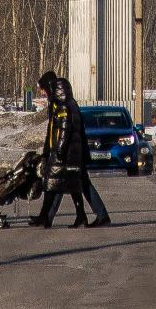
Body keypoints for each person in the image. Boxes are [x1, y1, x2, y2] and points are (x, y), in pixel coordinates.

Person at [34, 71, 111, 229]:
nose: (42, 92)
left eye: (43, 89)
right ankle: (92, 216)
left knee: (57, 182)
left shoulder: (61, 104)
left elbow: (64, 128)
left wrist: (59, 150)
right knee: (74, 183)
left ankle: (50, 217)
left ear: (50, 87)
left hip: (68, 153)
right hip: (75, 152)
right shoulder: (69, 102)